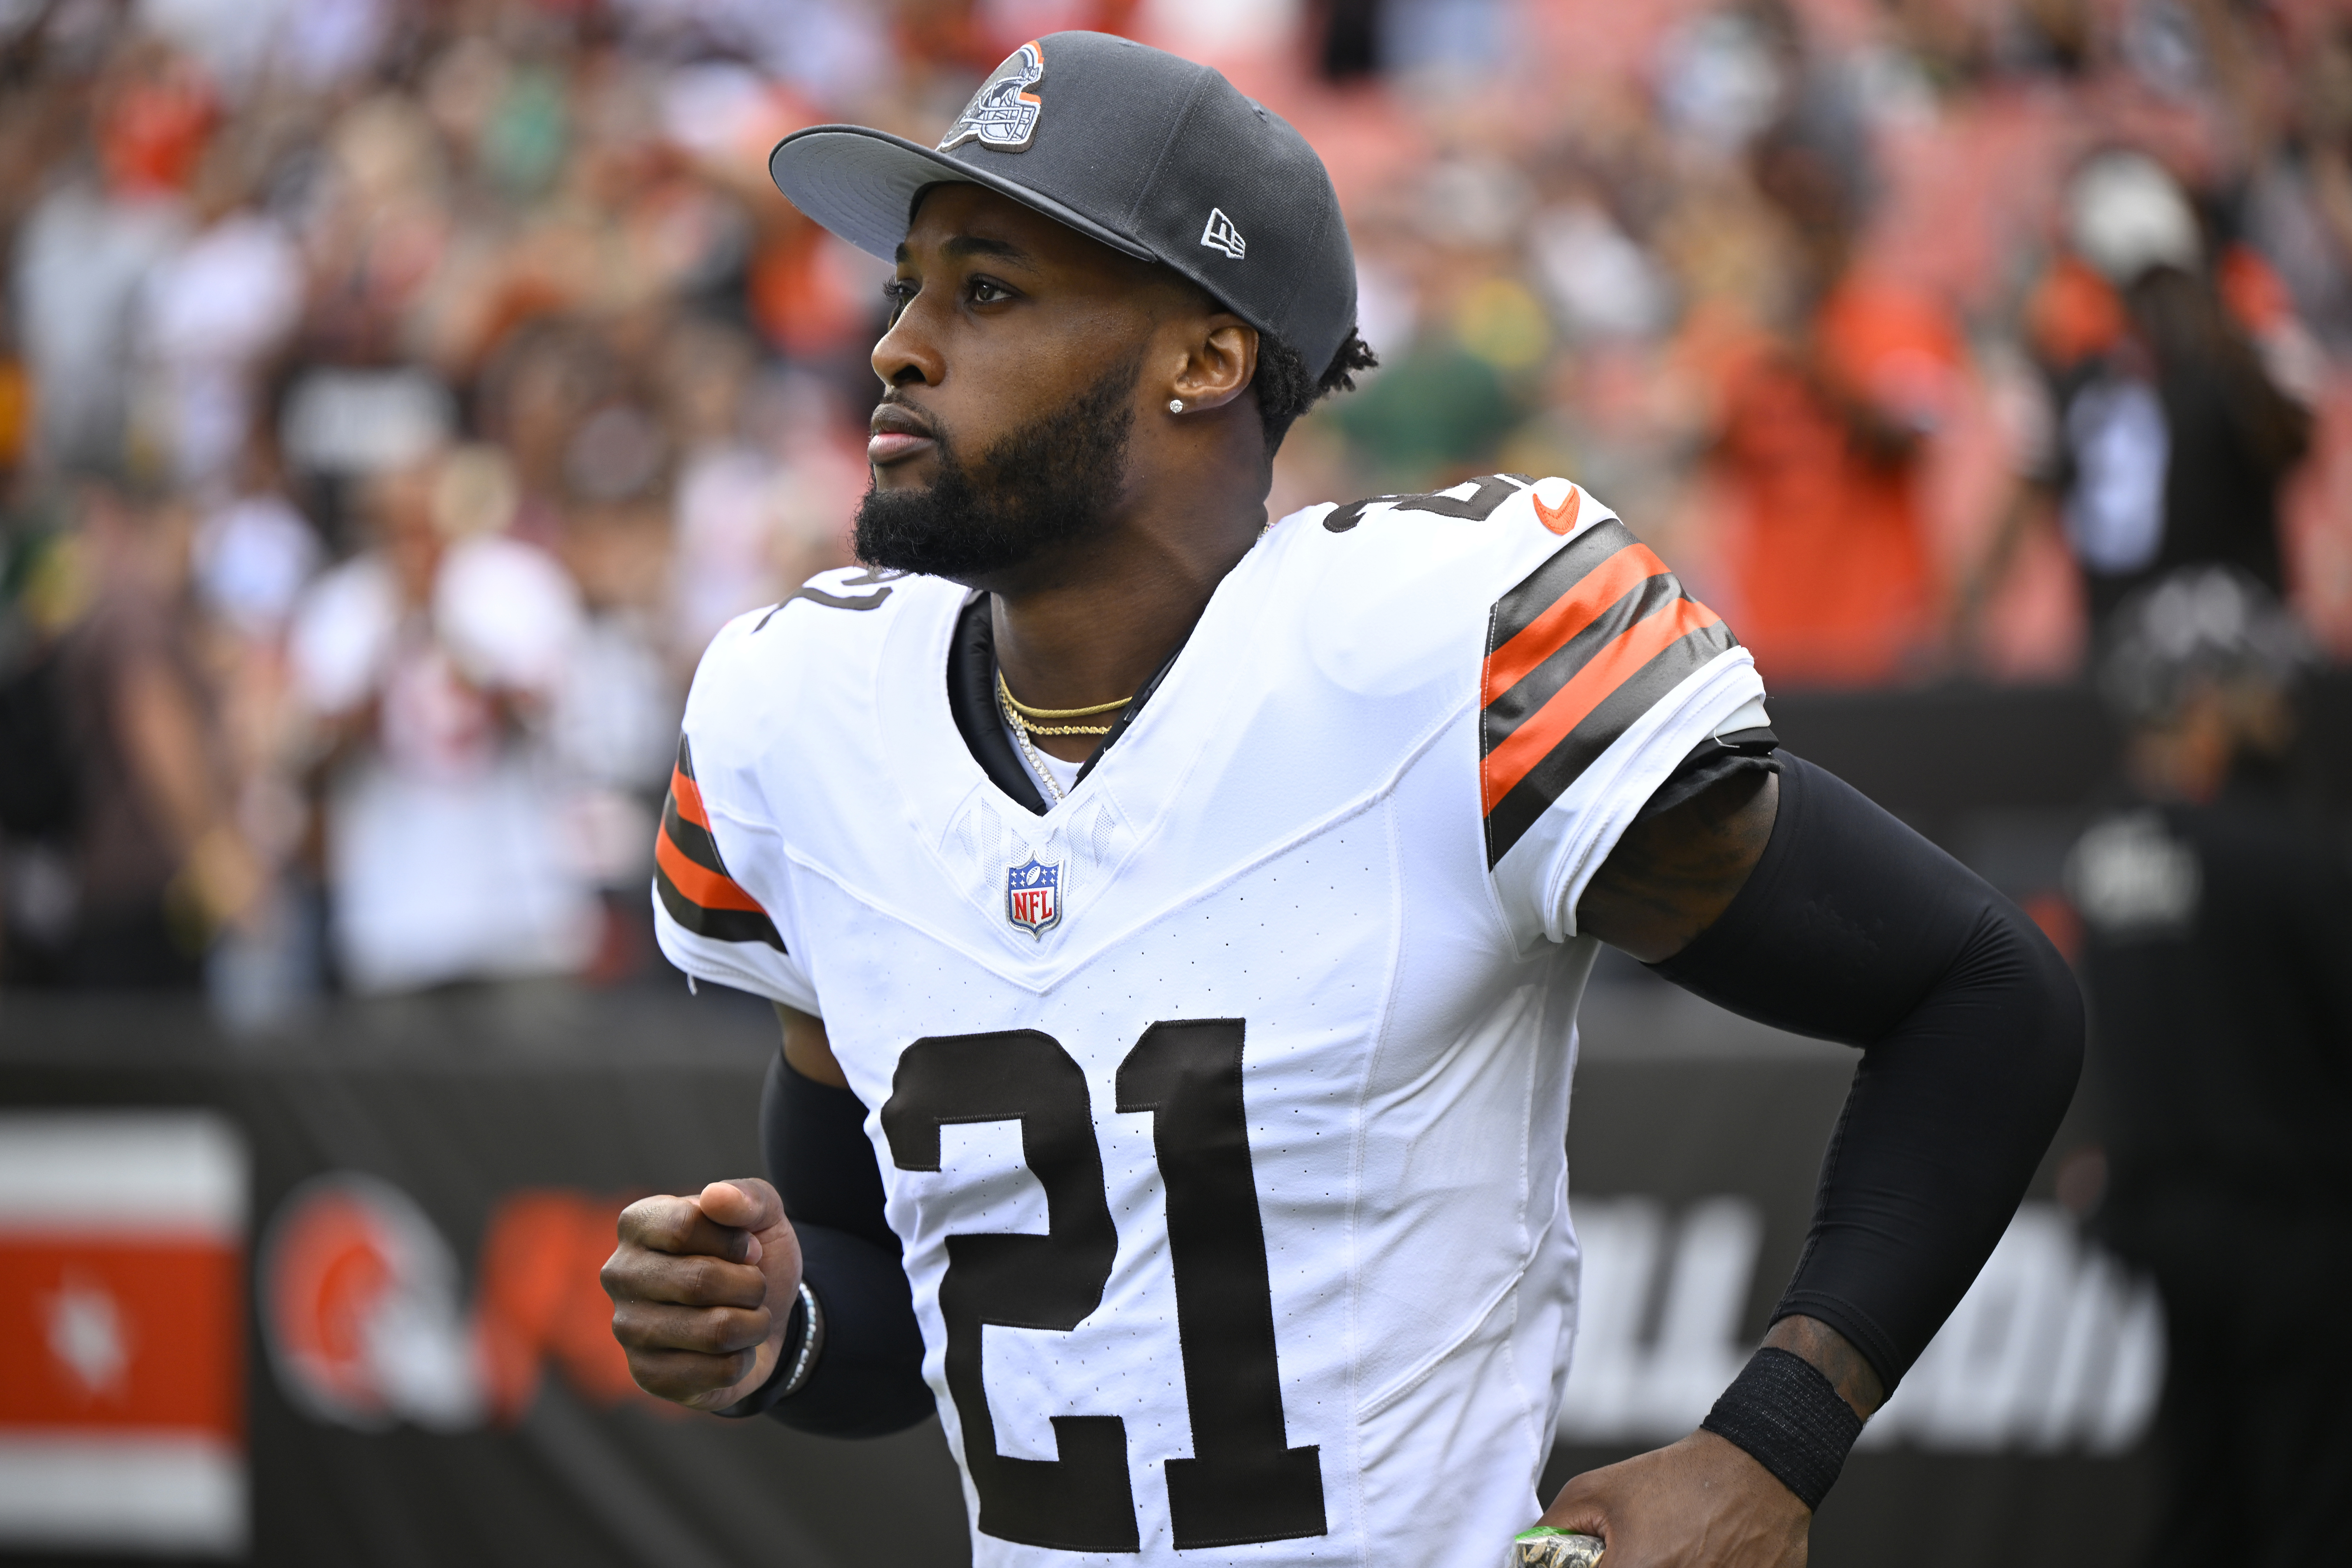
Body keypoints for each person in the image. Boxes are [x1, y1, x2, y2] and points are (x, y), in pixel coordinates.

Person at [601, 34, 2081, 1568]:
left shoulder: (1430, 653)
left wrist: (1773, 1444)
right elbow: (888, 1308)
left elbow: (1985, 993)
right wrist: (772, 1326)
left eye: (985, 292)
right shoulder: (802, 715)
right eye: (905, 288)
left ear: (1205, 360)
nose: (897, 348)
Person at [2065, 568, 2352, 1567]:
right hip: (2296, 1230)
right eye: (2262, 686)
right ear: (2206, 702)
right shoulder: (2291, 855)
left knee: (2203, 1493)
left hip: (2167, 1230)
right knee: (2311, 1507)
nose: (2285, 706)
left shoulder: (2101, 851)